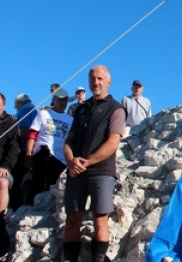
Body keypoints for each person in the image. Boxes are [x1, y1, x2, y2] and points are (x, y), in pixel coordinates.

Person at [63, 65, 126, 262]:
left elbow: (113, 142)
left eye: (100, 78)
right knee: (72, 218)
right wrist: (71, 160)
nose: (95, 82)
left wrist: (87, 162)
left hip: (101, 171)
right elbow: (68, 141)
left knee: (100, 219)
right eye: (92, 79)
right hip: (76, 171)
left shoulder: (115, 109)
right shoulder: (80, 108)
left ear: (109, 82)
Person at [25, 88, 72, 204]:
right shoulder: (43, 114)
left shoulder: (71, 120)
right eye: (60, 100)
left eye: (65, 100)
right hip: (43, 153)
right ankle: (31, 204)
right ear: (54, 100)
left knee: (53, 186)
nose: (62, 103)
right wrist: (28, 153)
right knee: (37, 183)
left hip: (60, 158)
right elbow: (33, 134)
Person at [12, 93, 37, 210]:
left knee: (18, 180)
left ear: (20, 103)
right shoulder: (36, 111)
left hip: (24, 150)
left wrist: (21, 146)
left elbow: (24, 129)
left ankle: (17, 207)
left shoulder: (24, 111)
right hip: (35, 149)